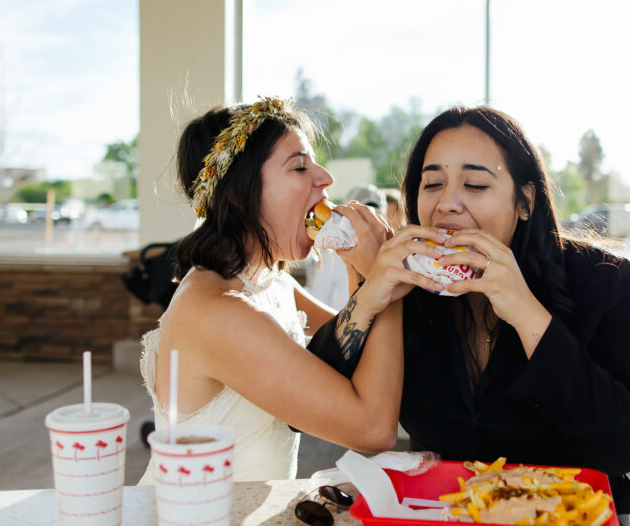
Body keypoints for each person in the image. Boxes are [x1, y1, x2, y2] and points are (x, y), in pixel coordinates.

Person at [310, 105, 630, 513]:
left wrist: (525, 311)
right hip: (450, 522)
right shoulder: (408, 284)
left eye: (474, 184)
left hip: (576, 525)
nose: (448, 204)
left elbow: (623, 447)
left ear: (525, 201)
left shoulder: (599, 278)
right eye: (432, 183)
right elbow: (307, 403)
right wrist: (370, 294)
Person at [137, 96, 446, 484]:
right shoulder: (215, 310)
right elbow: (372, 429)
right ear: (237, 194)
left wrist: (362, 269)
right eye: (300, 166)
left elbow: (350, 351)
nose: (324, 178)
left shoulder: (270, 279)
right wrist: (382, 282)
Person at [303, 184, 387, 310]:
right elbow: (318, 302)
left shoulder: (396, 256)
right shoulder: (330, 258)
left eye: (371, 215)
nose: (364, 225)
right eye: (359, 216)